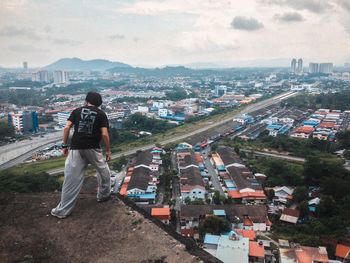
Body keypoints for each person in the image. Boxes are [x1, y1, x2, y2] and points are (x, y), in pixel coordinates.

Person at [51, 91, 112, 219]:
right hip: (93, 148)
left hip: (76, 148)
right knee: (104, 172)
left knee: (71, 179)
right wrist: (108, 151)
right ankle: (103, 195)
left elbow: (67, 128)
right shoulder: (101, 114)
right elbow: (105, 134)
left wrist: (64, 145)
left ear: (86, 101)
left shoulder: (77, 111)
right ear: (98, 104)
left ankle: (62, 210)